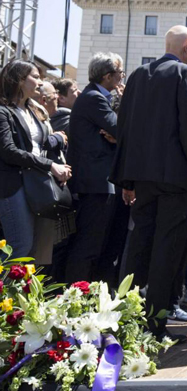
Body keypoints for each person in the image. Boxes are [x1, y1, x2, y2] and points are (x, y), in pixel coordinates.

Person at [110, 25, 187, 342]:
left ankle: (126, 320)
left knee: (139, 247)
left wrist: (126, 178)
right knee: (168, 251)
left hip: (142, 179)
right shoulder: (186, 74)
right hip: (177, 181)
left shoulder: (137, 75)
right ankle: (155, 325)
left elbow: (124, 126)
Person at [0, 60, 71, 261]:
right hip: (13, 187)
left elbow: (36, 145)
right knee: (20, 246)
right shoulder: (4, 111)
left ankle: (18, 293)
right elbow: (8, 151)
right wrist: (51, 166)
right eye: (36, 77)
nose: (41, 82)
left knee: (31, 251)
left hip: (34, 185)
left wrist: (56, 149)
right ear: (20, 80)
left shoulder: (31, 110)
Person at [64, 53, 124, 282]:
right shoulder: (94, 98)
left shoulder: (99, 97)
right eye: (119, 74)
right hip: (95, 183)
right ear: (108, 76)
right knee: (88, 245)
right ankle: (74, 296)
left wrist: (119, 137)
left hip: (101, 182)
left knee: (100, 245)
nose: (121, 78)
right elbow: (121, 128)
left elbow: (119, 133)